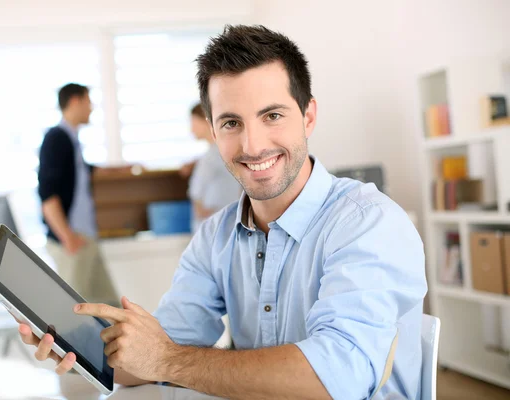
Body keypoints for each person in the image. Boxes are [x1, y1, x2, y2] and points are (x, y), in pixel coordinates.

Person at [21, 26, 427, 400]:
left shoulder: (368, 223)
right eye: (231, 123)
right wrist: (84, 352)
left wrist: (166, 359)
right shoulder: (216, 236)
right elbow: (158, 352)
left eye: (272, 116)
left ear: (308, 116)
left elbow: (339, 376)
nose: (252, 145)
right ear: (213, 132)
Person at [38, 83, 119, 306]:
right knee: (73, 312)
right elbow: (47, 194)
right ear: (75, 101)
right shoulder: (56, 138)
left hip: (86, 238)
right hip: (72, 241)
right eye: (88, 101)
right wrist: (67, 237)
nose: (91, 108)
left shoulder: (71, 140)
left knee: (110, 307)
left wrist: (119, 169)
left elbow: (83, 171)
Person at [185, 103, 242, 232]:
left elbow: (198, 195)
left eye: (193, 122)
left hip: (218, 226)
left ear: (206, 120)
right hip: (216, 226)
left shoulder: (218, 154)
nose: (191, 130)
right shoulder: (212, 154)